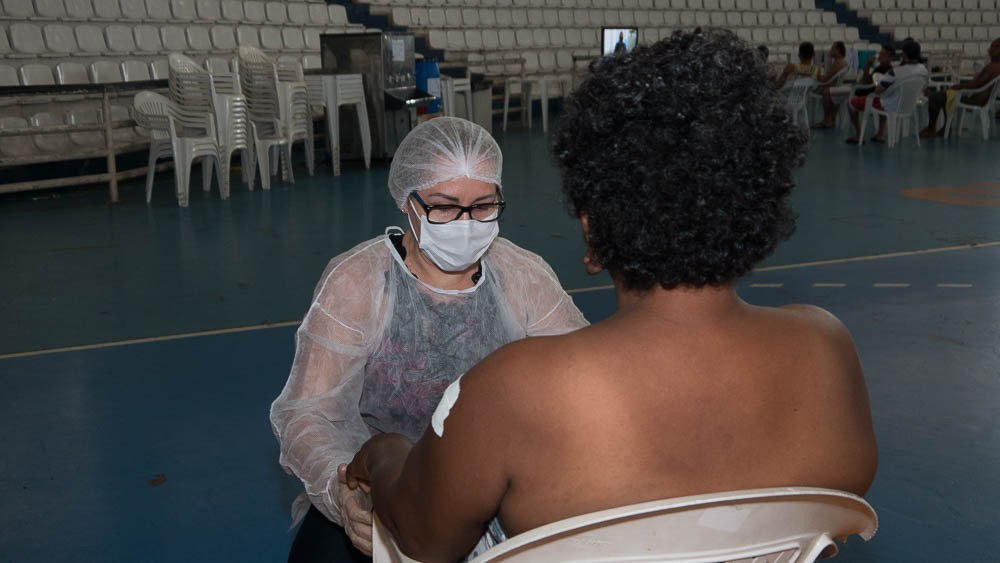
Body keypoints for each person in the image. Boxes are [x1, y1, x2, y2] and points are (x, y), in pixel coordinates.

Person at [345, 30, 879, 562]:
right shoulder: (825, 351)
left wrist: (387, 453)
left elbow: (423, 539)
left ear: (593, 229)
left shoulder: (514, 390)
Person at [270, 116, 589, 562]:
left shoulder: (523, 277)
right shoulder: (358, 281)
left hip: (491, 486)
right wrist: (340, 490)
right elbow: (308, 413)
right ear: (407, 200)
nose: (466, 223)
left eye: (483, 206)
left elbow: (585, 378)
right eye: (444, 206)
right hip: (376, 483)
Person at [846, 40, 928, 144]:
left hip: (890, 105)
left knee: (851, 103)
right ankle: (879, 134)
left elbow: (878, 90)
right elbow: (924, 86)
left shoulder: (896, 72)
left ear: (903, 54)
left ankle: (858, 135)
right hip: (910, 105)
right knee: (884, 98)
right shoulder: (923, 70)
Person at [920, 38, 1000, 138]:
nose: (991, 49)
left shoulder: (992, 67)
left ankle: (931, 129)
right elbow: (977, 84)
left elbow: (974, 86)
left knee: (936, 98)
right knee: (944, 95)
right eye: (992, 46)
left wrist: (959, 86)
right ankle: (945, 128)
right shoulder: (994, 66)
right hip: (978, 96)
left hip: (974, 99)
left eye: (996, 47)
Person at [812, 42, 849, 128]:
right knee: (825, 91)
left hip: (830, 87)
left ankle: (826, 120)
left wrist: (816, 73)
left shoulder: (837, 63)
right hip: (835, 86)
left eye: (832, 49)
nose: (830, 51)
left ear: (838, 50)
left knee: (819, 89)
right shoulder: (843, 62)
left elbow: (825, 79)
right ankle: (831, 119)